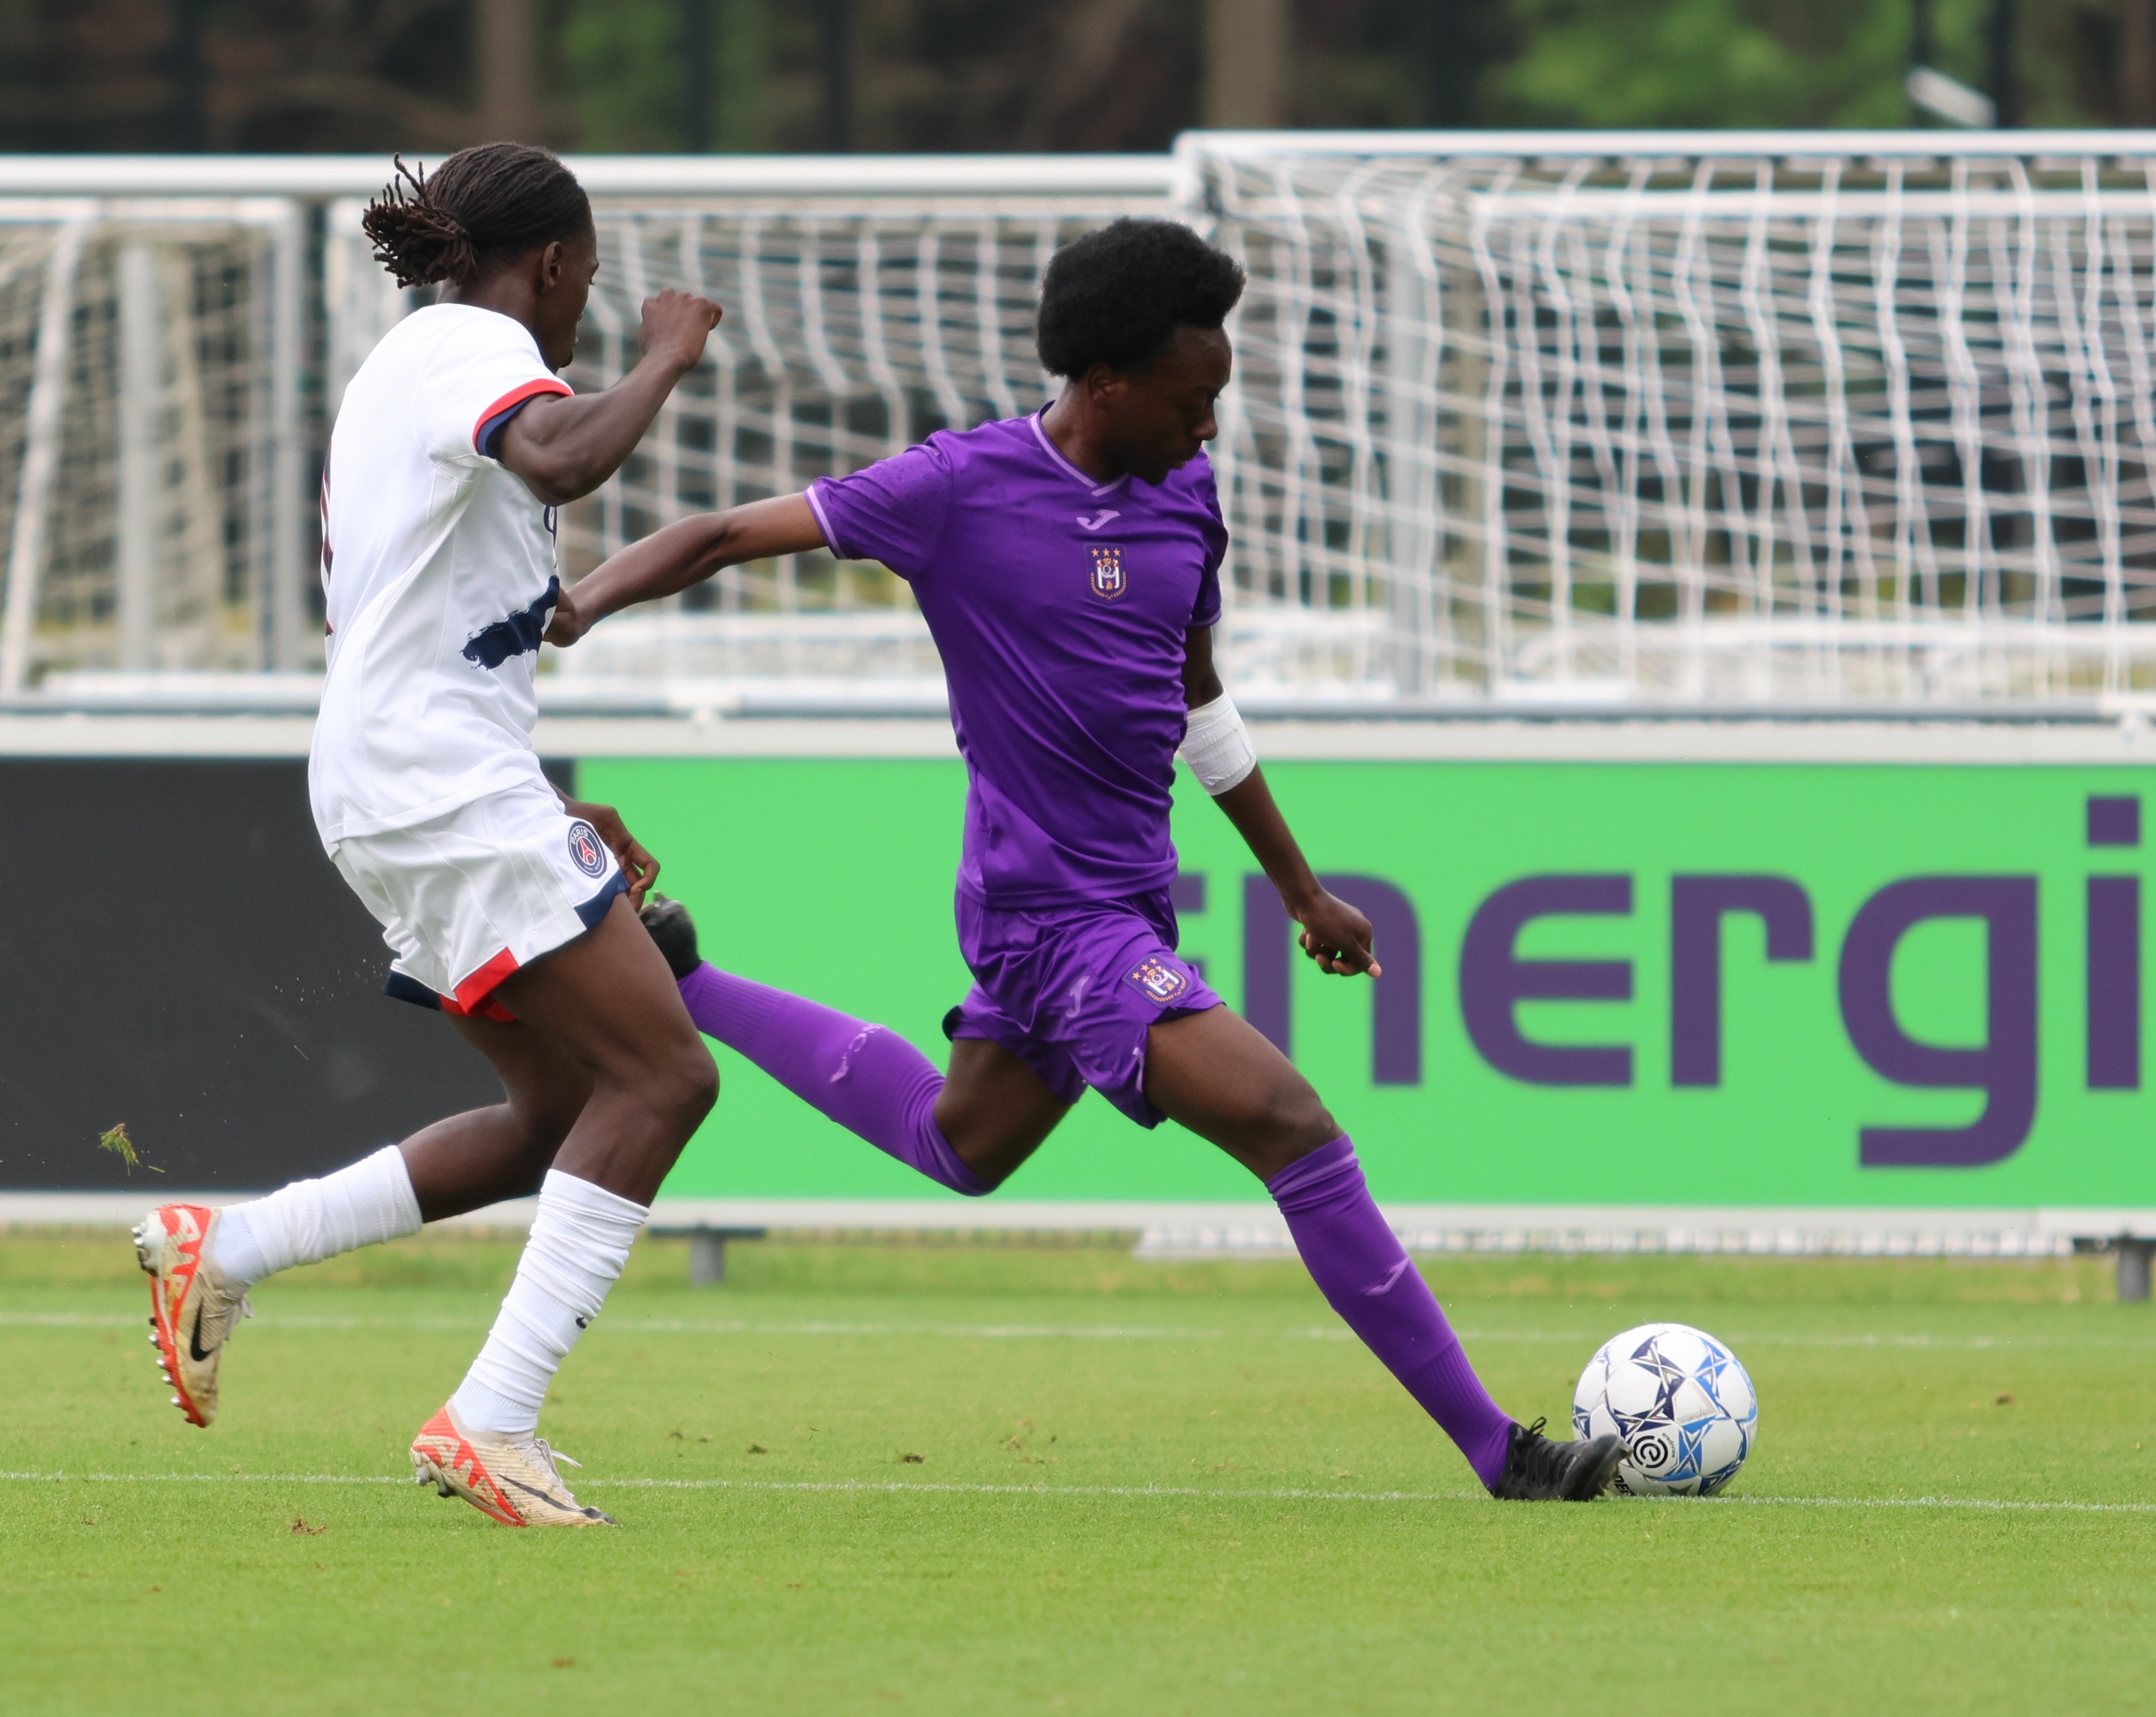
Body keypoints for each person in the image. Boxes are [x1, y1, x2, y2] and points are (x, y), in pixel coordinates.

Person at [547, 218, 1623, 1502]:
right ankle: (1497, 1449)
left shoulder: (1185, 497)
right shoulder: (955, 489)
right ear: (1106, 385)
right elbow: (725, 532)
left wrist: (1298, 887)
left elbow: (1197, 703)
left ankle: (687, 984)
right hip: (1042, 913)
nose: (1210, 426)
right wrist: (579, 604)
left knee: (965, 1143)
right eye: (1193, 400)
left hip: (1123, 903)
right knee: (1289, 1123)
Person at [132, 145, 725, 1529]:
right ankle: (489, 1420)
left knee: (566, 1115)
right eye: (589, 278)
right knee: (665, 1080)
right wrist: (664, 358)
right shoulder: (468, 341)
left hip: (417, 771)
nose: (590, 308)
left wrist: (544, 800)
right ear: (561, 261)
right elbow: (564, 455)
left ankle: (229, 1245)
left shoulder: (419, 361)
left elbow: (441, 628)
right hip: (428, 778)